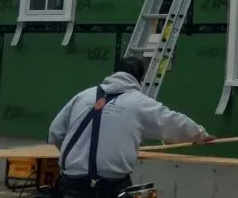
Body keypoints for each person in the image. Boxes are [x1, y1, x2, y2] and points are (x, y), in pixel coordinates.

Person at [48, 57, 215, 197]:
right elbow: (174, 123)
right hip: (110, 187)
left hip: (70, 184)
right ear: (139, 79)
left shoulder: (83, 96)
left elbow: (55, 132)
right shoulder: (139, 103)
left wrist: (78, 158)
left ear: (114, 72)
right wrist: (201, 135)